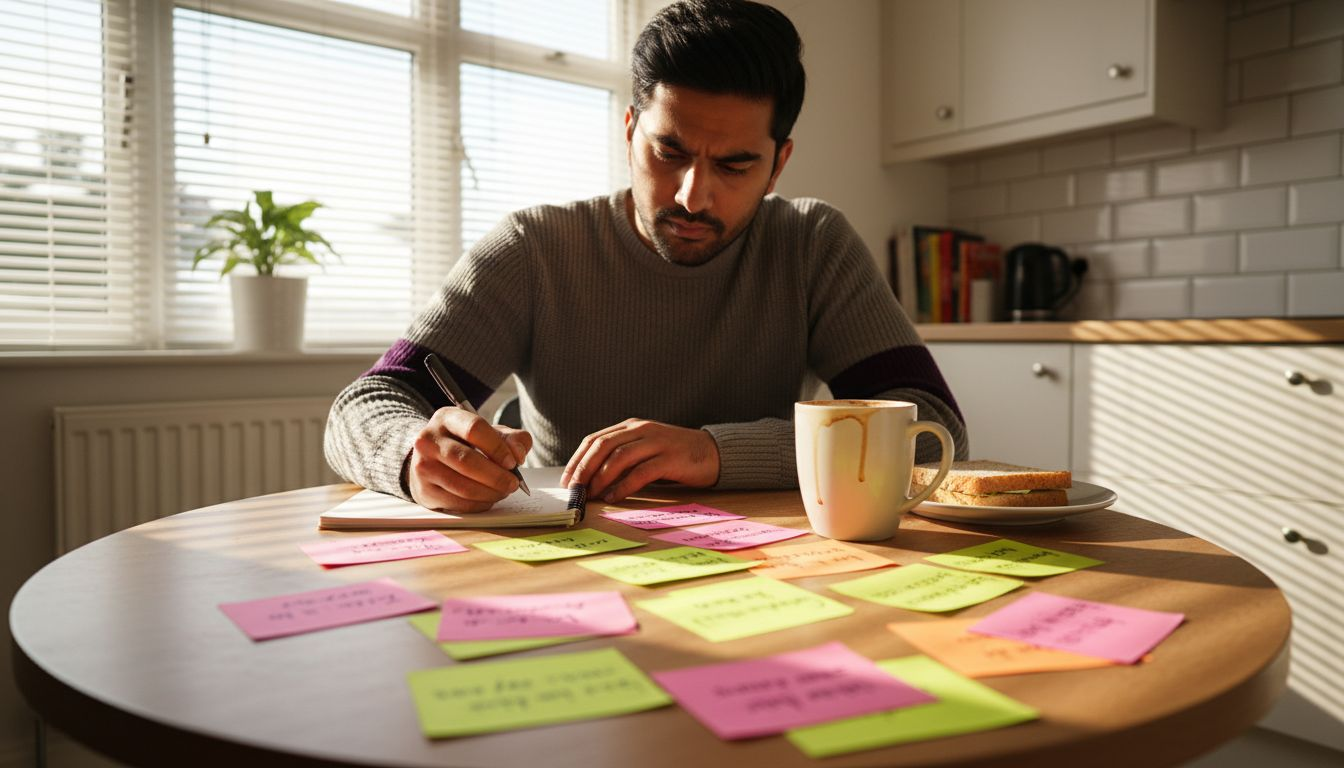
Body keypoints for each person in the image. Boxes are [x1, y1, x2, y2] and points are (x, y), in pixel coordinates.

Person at [324, 0, 967, 513]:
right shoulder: (536, 249)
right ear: (630, 130)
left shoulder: (813, 244)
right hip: (569, 558)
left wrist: (712, 453)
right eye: (670, 152)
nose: (693, 195)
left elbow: (936, 428)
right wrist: (413, 451)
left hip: (771, 559)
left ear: (779, 165)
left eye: (736, 164)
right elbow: (368, 401)